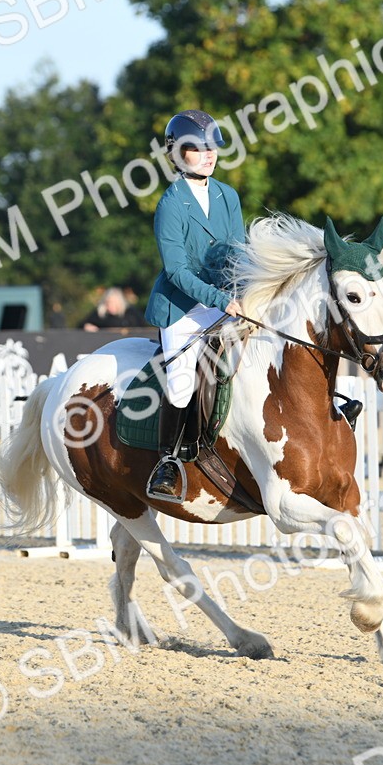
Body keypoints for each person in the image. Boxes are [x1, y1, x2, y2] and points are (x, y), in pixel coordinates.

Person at [143, 110, 245, 501]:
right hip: (182, 309)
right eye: (196, 148)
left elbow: (239, 251)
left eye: (211, 146)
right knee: (183, 384)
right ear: (175, 154)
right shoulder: (171, 204)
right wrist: (222, 299)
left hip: (226, 301)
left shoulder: (227, 195)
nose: (208, 155)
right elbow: (177, 272)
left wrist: (248, 289)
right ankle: (167, 462)